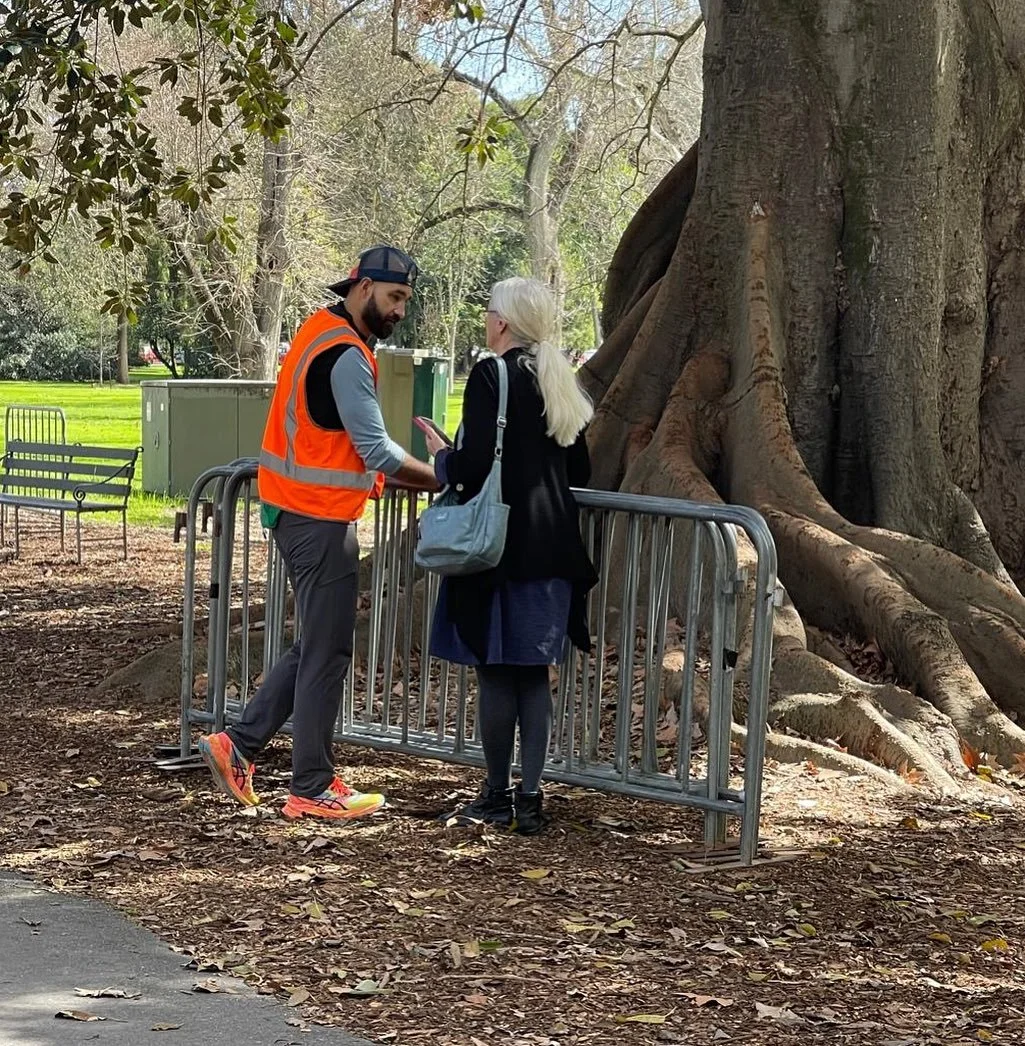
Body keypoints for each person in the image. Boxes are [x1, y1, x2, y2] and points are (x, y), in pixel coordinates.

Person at [199, 245, 439, 821]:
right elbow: (376, 450)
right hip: (319, 520)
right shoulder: (347, 354)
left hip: (297, 513)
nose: (400, 310)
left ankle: (240, 743)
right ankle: (311, 787)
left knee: (316, 644)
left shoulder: (317, 332)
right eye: (394, 297)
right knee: (327, 652)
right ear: (362, 289)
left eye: (405, 299)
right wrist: (445, 478)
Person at [422, 277, 598, 835]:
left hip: (499, 550)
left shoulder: (489, 374)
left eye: (487, 311)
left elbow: (473, 467)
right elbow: (580, 470)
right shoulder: (557, 381)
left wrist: (443, 459)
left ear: (501, 322)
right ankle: (531, 798)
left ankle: (495, 795)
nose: (484, 319)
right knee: (533, 678)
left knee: (496, 676)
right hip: (554, 551)